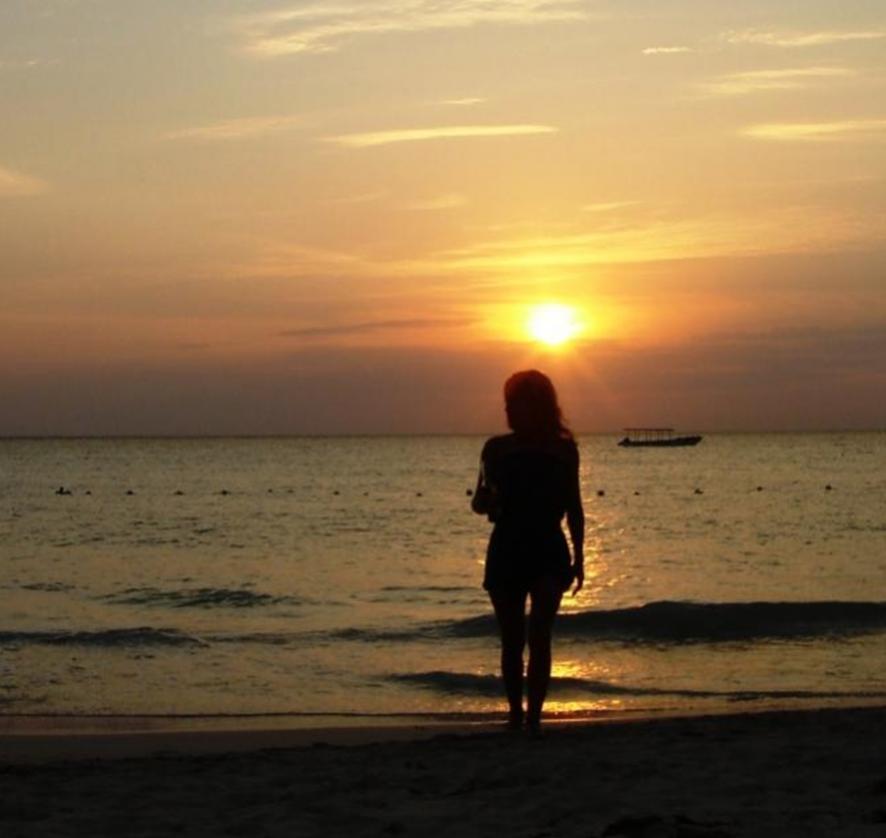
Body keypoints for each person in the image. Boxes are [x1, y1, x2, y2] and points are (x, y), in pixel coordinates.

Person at [471, 370, 585, 734]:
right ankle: (516, 715)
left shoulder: (563, 450)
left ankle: (533, 717)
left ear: (535, 407)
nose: (507, 411)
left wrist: (580, 556)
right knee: (513, 639)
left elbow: (574, 506)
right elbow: (480, 503)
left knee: (539, 637)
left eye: (514, 404)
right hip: (509, 546)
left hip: (547, 547)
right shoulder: (495, 449)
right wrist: (487, 502)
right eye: (507, 404)